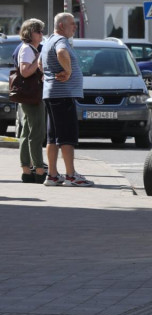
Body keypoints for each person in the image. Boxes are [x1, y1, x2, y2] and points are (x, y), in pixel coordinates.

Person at [40, 12, 93, 186]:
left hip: (52, 94)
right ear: (62, 25)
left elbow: (40, 63)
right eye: (72, 24)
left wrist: (48, 75)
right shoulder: (60, 42)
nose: (75, 27)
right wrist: (68, 71)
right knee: (67, 137)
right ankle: (71, 176)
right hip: (63, 95)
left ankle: (53, 175)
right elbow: (62, 53)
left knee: (53, 137)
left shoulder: (48, 41)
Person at [14, 19, 47, 183]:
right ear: (30, 33)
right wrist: (39, 58)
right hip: (32, 96)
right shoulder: (28, 50)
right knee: (36, 132)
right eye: (38, 31)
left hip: (29, 95)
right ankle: (39, 170)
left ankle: (27, 171)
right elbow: (25, 72)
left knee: (27, 132)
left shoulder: (30, 48)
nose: (41, 34)